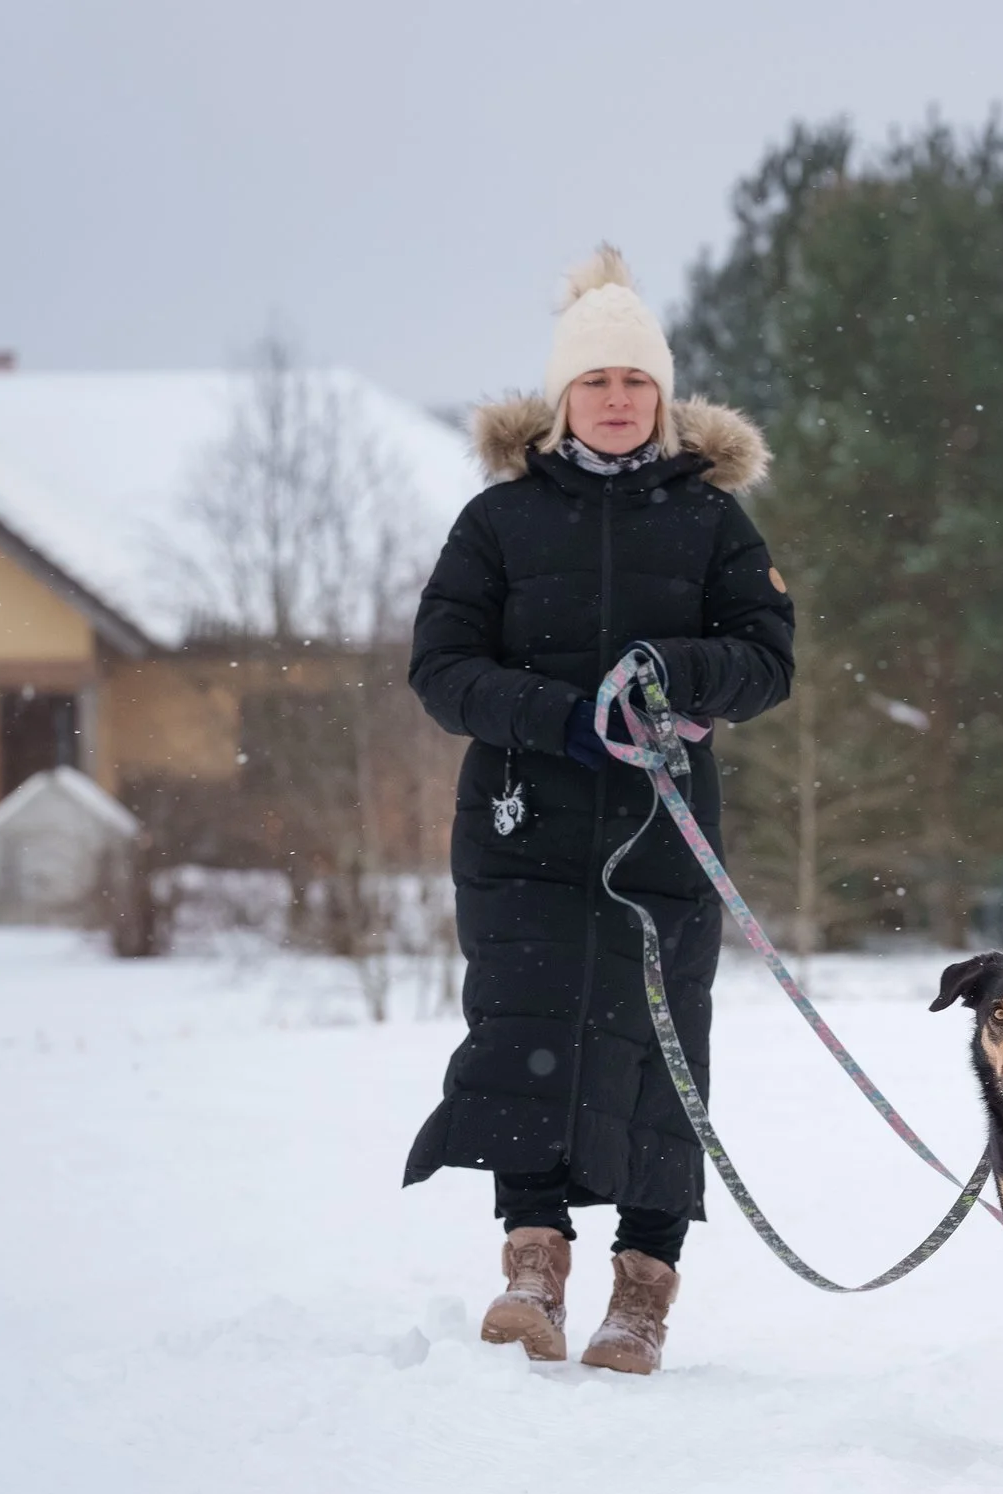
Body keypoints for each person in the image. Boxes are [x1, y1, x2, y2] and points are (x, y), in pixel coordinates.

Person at [403, 246, 792, 1374]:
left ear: (662, 398)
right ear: (562, 396)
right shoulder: (501, 523)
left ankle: (642, 1289)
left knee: (659, 1046)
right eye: (596, 382)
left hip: (661, 833)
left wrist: (677, 670)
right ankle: (533, 1264)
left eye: (635, 383)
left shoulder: (713, 524)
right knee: (525, 1029)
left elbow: (767, 661)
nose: (617, 401)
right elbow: (442, 670)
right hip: (523, 825)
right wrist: (567, 719)